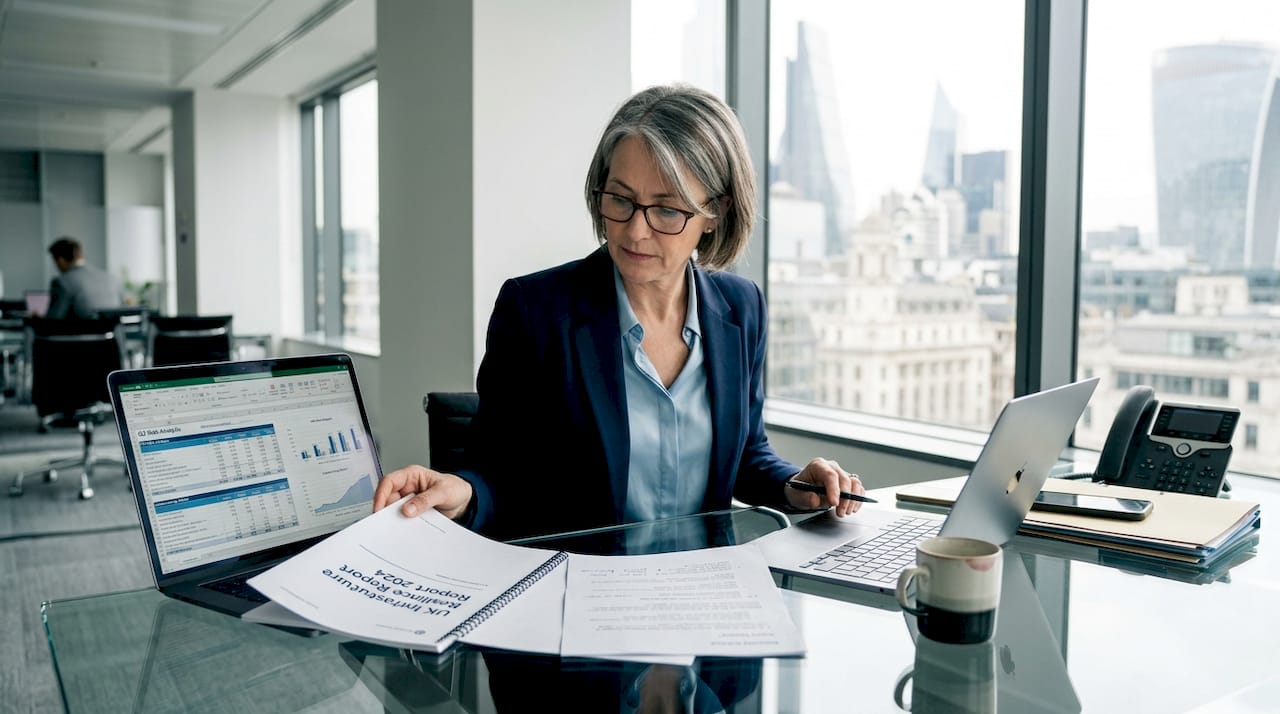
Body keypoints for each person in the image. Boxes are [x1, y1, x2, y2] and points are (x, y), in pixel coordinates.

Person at [373, 85, 866, 540]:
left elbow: (746, 457)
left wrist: (795, 484)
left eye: (667, 210)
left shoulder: (742, 307)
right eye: (620, 200)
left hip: (708, 590)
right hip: (580, 592)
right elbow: (498, 471)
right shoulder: (536, 311)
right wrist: (465, 493)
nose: (634, 232)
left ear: (715, 213)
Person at [44, 237, 123, 320]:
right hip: (113, 332)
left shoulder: (62, 282)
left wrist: (36, 320)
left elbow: (53, 319)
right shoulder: (112, 278)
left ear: (60, 260)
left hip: (80, 332)